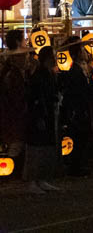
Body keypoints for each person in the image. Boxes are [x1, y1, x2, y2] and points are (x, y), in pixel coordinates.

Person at [24, 46, 61, 194]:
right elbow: (35, 98)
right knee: (37, 149)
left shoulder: (49, 74)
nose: (56, 59)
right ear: (47, 58)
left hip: (48, 114)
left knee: (46, 148)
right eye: (53, 56)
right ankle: (32, 180)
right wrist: (39, 116)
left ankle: (42, 179)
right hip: (39, 116)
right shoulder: (39, 76)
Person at [0, 29, 35, 178]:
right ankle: (13, 173)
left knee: (19, 143)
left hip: (18, 115)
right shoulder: (12, 75)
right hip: (14, 116)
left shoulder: (20, 72)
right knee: (16, 144)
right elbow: (14, 99)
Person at [58, 36, 92, 176]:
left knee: (80, 139)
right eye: (83, 50)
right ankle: (76, 167)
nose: (85, 52)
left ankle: (78, 165)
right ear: (78, 53)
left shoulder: (78, 70)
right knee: (78, 139)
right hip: (78, 110)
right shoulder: (75, 72)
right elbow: (77, 93)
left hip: (78, 109)